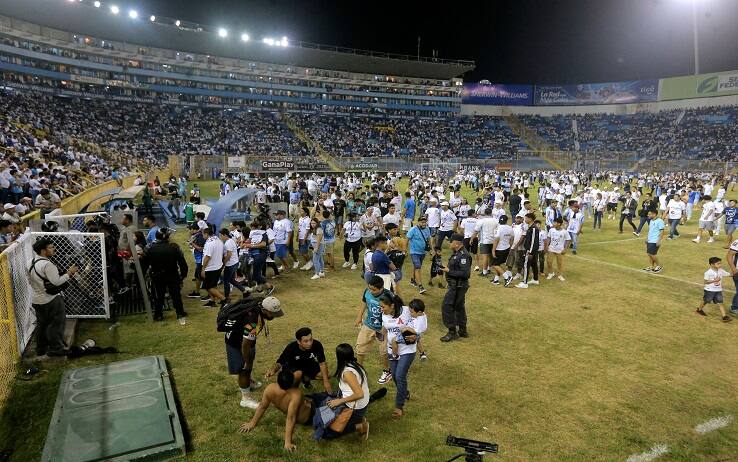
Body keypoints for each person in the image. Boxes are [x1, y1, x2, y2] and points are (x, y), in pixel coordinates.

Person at [224, 296, 284, 409]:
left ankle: (249, 382)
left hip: (246, 342)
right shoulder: (251, 321)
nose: (274, 317)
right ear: (265, 310)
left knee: (249, 364)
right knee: (244, 369)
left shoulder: (260, 304)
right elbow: (245, 345)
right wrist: (246, 361)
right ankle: (245, 399)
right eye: (273, 314)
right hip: (237, 343)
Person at [239, 369, 316, 453]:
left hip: (302, 409)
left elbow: (262, 407)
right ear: (292, 381)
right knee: (321, 398)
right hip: (310, 415)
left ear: (277, 380)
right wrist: (287, 442)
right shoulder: (296, 394)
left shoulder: (270, 389)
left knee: (300, 377)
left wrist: (252, 423)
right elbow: (291, 418)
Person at [29, 238, 78, 357]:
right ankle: (56, 349)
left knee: (42, 325)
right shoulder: (47, 265)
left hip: (36, 299)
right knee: (56, 324)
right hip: (50, 299)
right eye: (50, 247)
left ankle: (40, 349)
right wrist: (69, 273)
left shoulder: (30, 262)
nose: (53, 249)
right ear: (43, 250)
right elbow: (56, 282)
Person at [379, 294, 426, 418]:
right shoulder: (384, 314)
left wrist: (417, 336)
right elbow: (386, 327)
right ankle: (404, 392)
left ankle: (399, 406)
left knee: (400, 376)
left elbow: (420, 319)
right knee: (394, 376)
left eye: (383, 307)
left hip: (407, 350)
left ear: (392, 306)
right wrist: (379, 334)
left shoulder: (406, 311)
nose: (381, 309)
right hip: (391, 350)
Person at [320, 344, 370, 439]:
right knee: (325, 420)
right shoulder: (356, 365)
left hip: (355, 408)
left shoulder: (347, 373)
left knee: (327, 435)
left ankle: (361, 426)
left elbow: (359, 394)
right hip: (358, 403)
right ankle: (357, 420)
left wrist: (339, 401)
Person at [142, 227, 189, 324]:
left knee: (158, 296)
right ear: (167, 237)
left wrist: (143, 275)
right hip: (173, 274)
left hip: (157, 275)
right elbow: (182, 263)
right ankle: (180, 312)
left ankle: (158, 314)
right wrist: (183, 275)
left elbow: (144, 263)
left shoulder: (149, 247)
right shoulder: (174, 247)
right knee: (175, 295)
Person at [265, 327, 332, 392]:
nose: (310, 343)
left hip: (308, 365)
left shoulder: (317, 344)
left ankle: (306, 379)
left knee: (326, 375)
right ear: (299, 341)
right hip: (293, 367)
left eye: (311, 339)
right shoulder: (291, 348)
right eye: (306, 341)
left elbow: (322, 363)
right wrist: (273, 370)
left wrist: (326, 382)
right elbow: (280, 362)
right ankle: (295, 389)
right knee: (298, 375)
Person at [354, 275, 392, 384]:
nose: (370, 291)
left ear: (381, 289)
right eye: (369, 288)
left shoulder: (388, 295)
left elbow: (394, 310)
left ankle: (386, 371)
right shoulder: (367, 291)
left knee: (383, 352)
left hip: (383, 328)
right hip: (368, 325)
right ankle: (359, 370)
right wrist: (359, 317)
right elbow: (364, 302)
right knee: (360, 348)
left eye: (373, 290)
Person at [440, 234, 472, 342]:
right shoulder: (457, 253)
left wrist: (449, 271)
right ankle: (463, 330)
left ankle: (452, 332)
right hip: (457, 285)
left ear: (457, 243)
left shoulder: (463, 255)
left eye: (451, 241)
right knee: (459, 307)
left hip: (458, 286)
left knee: (447, 306)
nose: (449, 244)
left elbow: (465, 273)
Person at [696, 257, 732, 322]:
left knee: (720, 303)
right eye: (718, 264)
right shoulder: (708, 272)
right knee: (706, 301)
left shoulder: (720, 270)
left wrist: (734, 273)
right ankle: (699, 310)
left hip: (718, 290)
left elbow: (728, 274)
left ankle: (724, 317)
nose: (720, 265)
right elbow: (705, 282)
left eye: (720, 263)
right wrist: (714, 280)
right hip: (709, 290)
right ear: (712, 264)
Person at [201, 226, 226, 307]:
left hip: (210, 268)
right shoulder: (218, 240)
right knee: (213, 285)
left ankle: (224, 299)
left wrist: (203, 268)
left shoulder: (209, 243)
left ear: (206, 234)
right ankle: (212, 301)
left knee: (208, 287)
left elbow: (207, 257)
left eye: (203, 234)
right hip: (218, 266)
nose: (202, 236)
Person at [220, 228, 248, 301]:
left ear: (225, 235)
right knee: (232, 280)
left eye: (221, 235)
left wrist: (223, 264)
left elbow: (228, 255)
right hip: (235, 262)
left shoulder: (228, 243)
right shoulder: (231, 240)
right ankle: (244, 291)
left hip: (230, 264)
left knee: (226, 281)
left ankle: (227, 297)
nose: (221, 237)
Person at [406, 216, 431, 294]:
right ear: (418, 222)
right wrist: (404, 250)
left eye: (425, 222)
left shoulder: (427, 229)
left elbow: (429, 239)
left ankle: (413, 280)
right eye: (422, 222)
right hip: (414, 252)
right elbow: (407, 239)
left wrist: (432, 249)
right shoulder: (413, 230)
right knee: (418, 267)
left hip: (422, 252)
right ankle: (420, 286)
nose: (424, 223)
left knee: (417, 266)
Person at [516, 213, 540, 289]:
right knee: (534, 265)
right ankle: (535, 279)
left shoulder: (533, 228)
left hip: (530, 250)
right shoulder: (530, 227)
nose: (524, 219)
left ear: (530, 219)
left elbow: (533, 241)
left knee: (526, 265)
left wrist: (530, 252)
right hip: (532, 250)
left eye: (525, 218)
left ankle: (524, 282)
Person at [546, 217, 570, 281]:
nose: (553, 223)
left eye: (554, 222)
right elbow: (548, 238)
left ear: (559, 224)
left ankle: (560, 275)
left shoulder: (564, 232)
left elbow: (568, 240)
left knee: (559, 263)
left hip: (560, 249)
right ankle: (551, 273)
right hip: (551, 248)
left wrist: (565, 249)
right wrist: (547, 246)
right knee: (549, 262)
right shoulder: (551, 230)